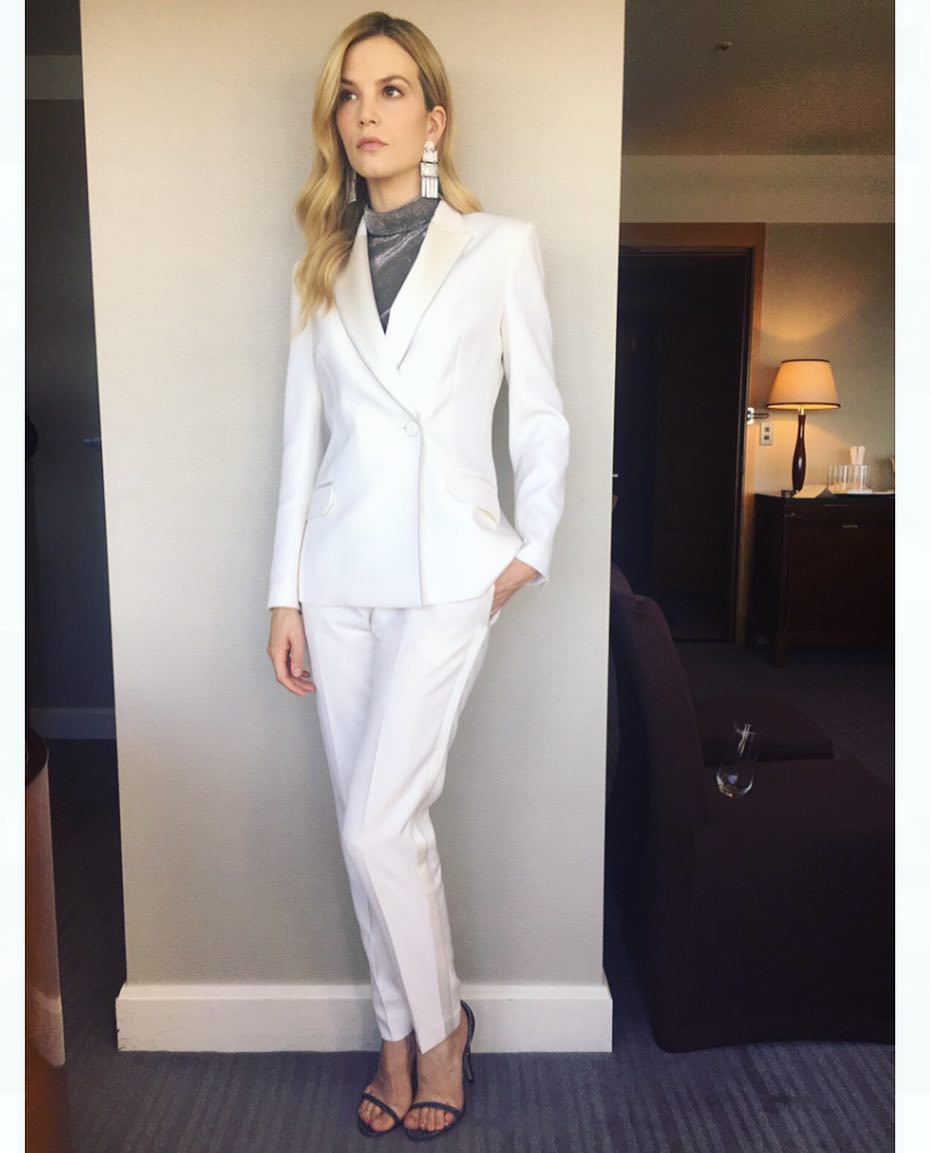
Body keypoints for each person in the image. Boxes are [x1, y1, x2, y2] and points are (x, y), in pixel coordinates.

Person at [266, 11, 569, 1140]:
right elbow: (301, 441)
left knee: (378, 823)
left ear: (434, 119)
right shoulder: (322, 264)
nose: (367, 114)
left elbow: (539, 413)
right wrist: (283, 592)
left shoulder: (500, 248)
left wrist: (529, 545)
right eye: (350, 95)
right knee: (369, 819)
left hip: (450, 568)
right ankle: (396, 1034)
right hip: (338, 574)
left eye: (391, 91)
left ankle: (442, 1030)